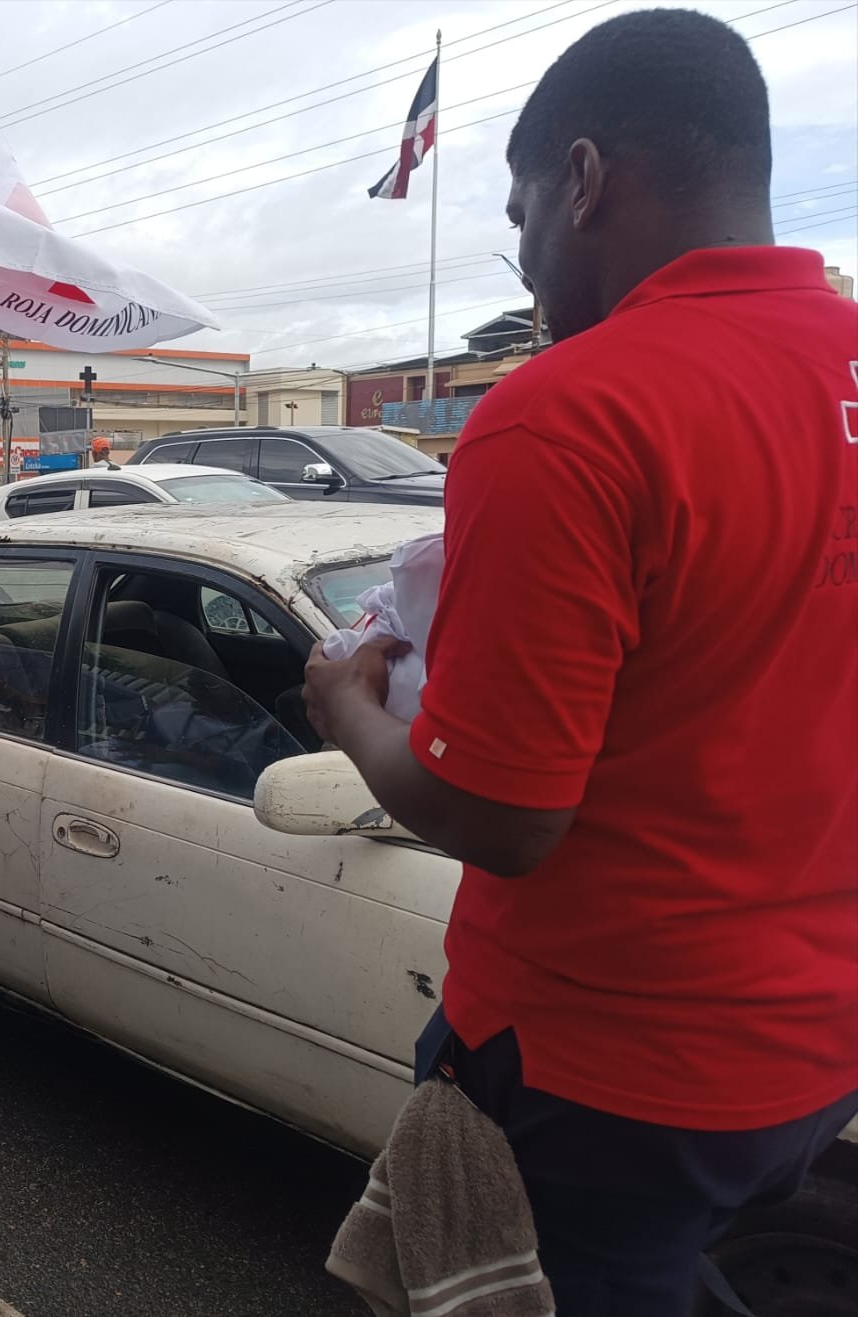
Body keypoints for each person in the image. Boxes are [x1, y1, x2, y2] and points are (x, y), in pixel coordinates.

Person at [302, 10, 856, 1313]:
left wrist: (349, 712)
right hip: (813, 1043)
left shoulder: (570, 413)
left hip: (603, 1061)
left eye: (522, 211)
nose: (529, 260)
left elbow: (504, 815)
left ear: (587, 178)